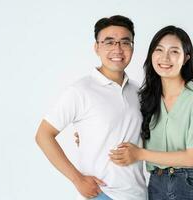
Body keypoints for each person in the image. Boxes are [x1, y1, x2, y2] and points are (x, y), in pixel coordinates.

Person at [35, 15, 148, 200]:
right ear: (97, 47)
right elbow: (43, 135)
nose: (117, 49)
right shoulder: (80, 90)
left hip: (139, 194)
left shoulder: (138, 91)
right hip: (102, 194)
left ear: (132, 47)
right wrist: (77, 179)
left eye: (125, 42)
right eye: (109, 42)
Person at [109, 26, 193, 200]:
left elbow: (192, 158)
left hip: (191, 183)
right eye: (159, 49)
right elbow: (129, 127)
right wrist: (89, 133)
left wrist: (139, 154)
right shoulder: (145, 97)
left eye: (174, 51)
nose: (165, 58)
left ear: (186, 58)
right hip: (156, 184)